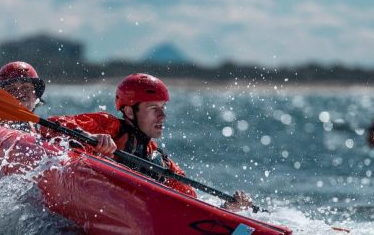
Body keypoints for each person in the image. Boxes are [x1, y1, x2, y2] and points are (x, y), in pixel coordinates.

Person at [41, 73, 252, 211]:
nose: (162, 116)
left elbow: (191, 205)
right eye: (153, 109)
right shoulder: (109, 126)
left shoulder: (159, 160)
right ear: (128, 112)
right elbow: (51, 125)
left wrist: (227, 208)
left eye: (163, 108)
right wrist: (90, 137)